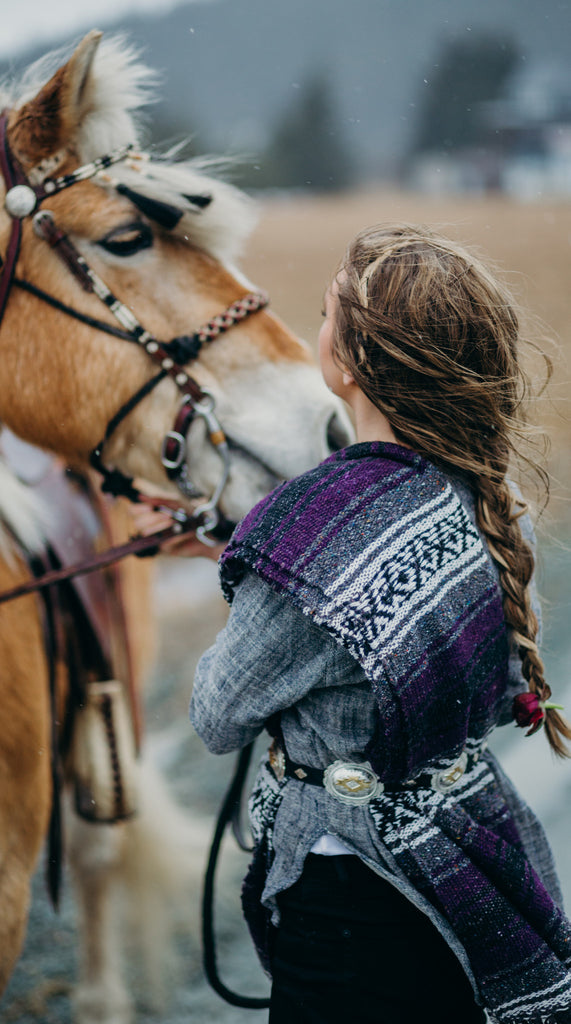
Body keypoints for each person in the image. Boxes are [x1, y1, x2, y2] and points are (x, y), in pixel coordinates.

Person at [184, 224, 571, 1024]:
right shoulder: (497, 507)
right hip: (465, 861)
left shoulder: (309, 541)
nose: (316, 331)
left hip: (348, 897)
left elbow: (215, 717)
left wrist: (264, 579)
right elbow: (497, 696)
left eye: (327, 313)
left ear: (352, 361)